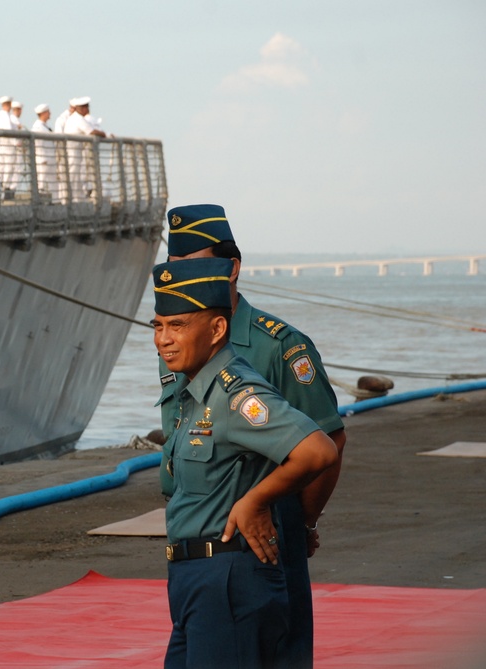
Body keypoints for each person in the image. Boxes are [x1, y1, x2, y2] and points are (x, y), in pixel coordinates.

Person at [157, 203, 348, 669]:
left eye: (197, 267)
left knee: (281, 648)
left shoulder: (276, 345)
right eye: (175, 268)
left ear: (231, 268)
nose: (165, 335)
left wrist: (299, 523)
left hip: (261, 531)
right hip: (197, 545)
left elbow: (326, 442)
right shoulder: (182, 338)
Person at [62, 96, 105, 202]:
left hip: (74, 150)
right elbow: (91, 131)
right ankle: (71, 198)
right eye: (87, 107)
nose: (88, 110)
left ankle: (76, 198)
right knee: (73, 174)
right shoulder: (78, 119)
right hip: (73, 151)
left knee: (75, 175)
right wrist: (103, 134)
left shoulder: (74, 118)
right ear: (83, 108)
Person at [0, 96, 19, 197]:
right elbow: (8, 131)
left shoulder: (0, 115)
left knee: (1, 168)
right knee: (8, 168)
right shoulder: (5, 116)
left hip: (1, 145)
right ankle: (6, 189)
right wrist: (15, 142)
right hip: (8, 146)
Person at [31, 103, 58, 198]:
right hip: (43, 158)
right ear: (44, 113)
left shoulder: (45, 126)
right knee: (41, 179)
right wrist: (42, 158)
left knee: (53, 180)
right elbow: (38, 143)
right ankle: (40, 198)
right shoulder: (38, 127)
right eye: (48, 112)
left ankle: (55, 199)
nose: (50, 113)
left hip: (50, 156)